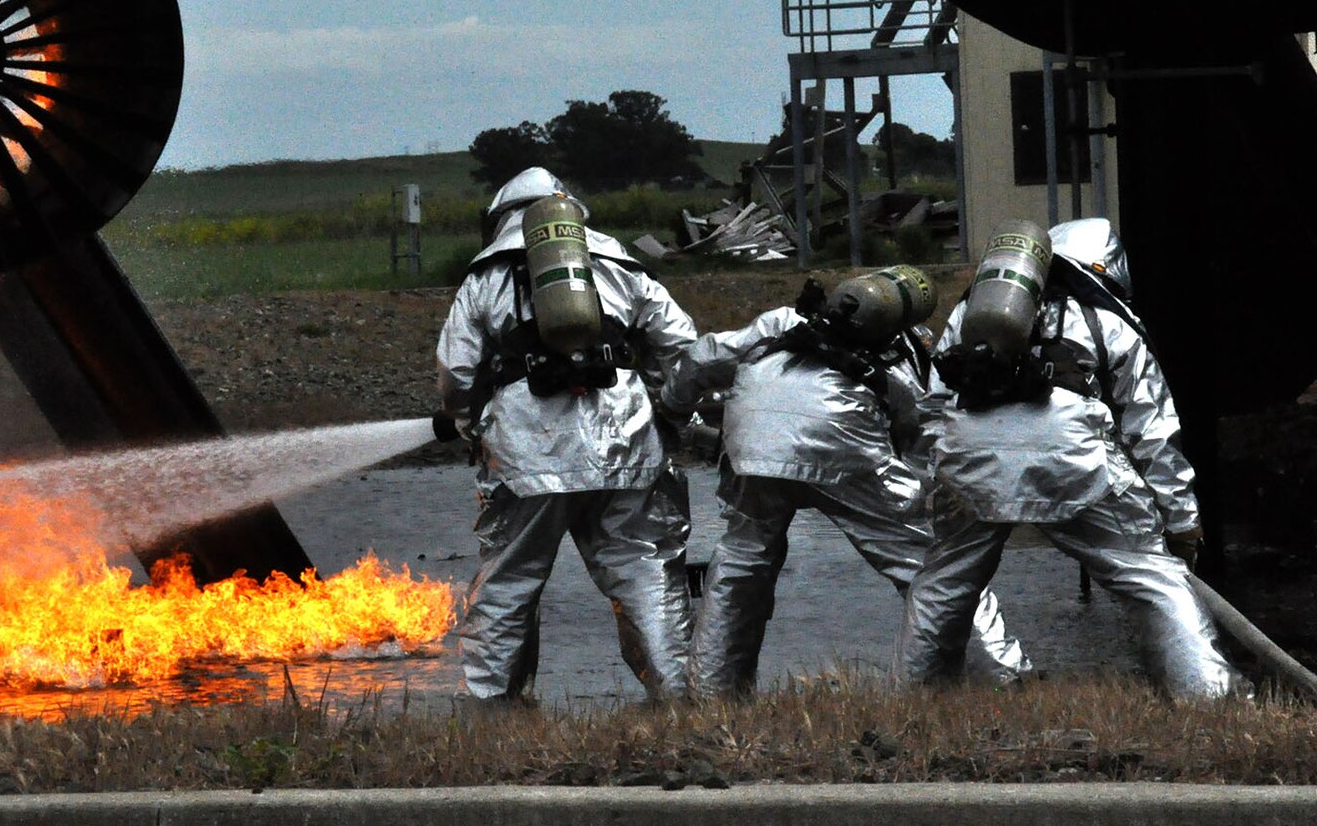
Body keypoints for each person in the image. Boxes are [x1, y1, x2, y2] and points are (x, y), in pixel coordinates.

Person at [899, 218, 1241, 697]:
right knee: (1154, 582)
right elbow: (1153, 428)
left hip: (971, 449)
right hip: (1071, 454)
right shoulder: (1107, 314)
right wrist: (1182, 520)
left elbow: (932, 407)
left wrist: (939, 479)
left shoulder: (970, 309)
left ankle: (920, 698)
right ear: (1104, 264)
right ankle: (1207, 696)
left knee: (942, 584)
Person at [660, 268, 1028, 698]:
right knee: (933, 562)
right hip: (844, 445)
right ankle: (998, 678)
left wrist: (670, 407)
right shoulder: (903, 356)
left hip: (752, 444)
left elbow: (704, 356)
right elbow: (922, 431)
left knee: (744, 559)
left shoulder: (783, 322)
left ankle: (712, 691)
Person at [435, 166, 699, 701]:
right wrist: (673, 413)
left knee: (509, 581)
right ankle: (679, 696)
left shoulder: (487, 277)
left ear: (501, 218)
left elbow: (457, 371)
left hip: (524, 455)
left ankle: (494, 710)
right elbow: (684, 347)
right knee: (645, 571)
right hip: (627, 444)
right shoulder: (623, 267)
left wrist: (470, 425)